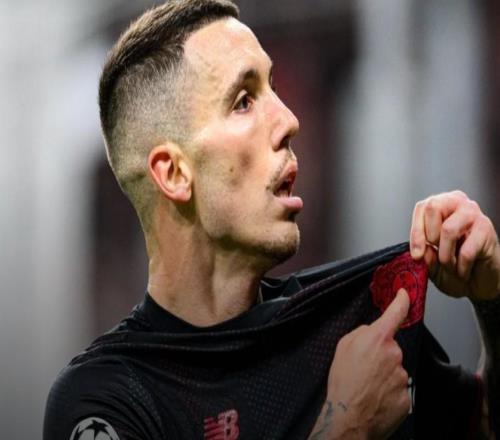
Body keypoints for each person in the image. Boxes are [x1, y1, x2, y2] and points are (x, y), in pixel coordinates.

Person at [43, 0, 500, 438]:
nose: (288, 120)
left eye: (274, 90)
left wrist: (492, 301)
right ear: (175, 173)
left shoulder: (357, 322)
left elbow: (486, 425)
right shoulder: (106, 398)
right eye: (243, 101)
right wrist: (348, 426)